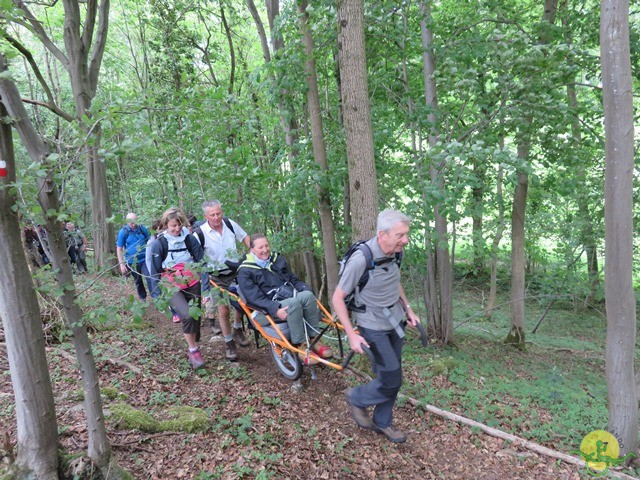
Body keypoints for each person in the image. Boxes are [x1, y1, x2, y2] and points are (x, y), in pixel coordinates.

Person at [332, 209, 420, 444]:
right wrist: (351, 334)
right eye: (400, 235)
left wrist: (408, 309)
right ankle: (357, 397)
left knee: (391, 374)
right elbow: (337, 298)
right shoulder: (362, 259)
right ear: (383, 234)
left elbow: (395, 282)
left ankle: (383, 422)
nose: (406, 240)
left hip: (396, 320)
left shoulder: (395, 253)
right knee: (392, 378)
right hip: (372, 325)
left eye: (406, 234)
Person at [237, 234, 332, 365]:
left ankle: (314, 338)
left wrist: (305, 289)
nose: (265, 250)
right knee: (293, 304)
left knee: (308, 296)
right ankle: (300, 345)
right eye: (260, 247)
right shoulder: (245, 271)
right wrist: (275, 309)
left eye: (266, 246)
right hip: (263, 310)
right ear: (252, 250)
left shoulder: (277, 260)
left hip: (285, 297)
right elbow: (254, 299)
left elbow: (293, 279)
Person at [148, 208, 205, 369]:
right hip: (170, 284)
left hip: (192, 280)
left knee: (195, 315)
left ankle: (194, 341)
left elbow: (201, 259)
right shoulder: (160, 243)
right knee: (187, 315)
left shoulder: (189, 239)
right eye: (173, 226)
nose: (177, 229)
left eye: (179, 225)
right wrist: (157, 295)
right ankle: (193, 351)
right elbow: (154, 270)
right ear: (166, 225)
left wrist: (205, 278)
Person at [196, 200, 250, 362]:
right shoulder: (199, 233)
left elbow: (246, 237)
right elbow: (195, 256)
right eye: (212, 215)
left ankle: (237, 328)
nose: (216, 217)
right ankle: (229, 343)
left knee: (243, 303)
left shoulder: (230, 224)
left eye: (218, 213)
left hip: (236, 271)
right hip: (216, 276)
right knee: (224, 310)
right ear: (206, 216)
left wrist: (253, 253)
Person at [116, 213, 151, 301]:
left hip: (144, 260)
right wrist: (121, 264)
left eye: (135, 221)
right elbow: (119, 249)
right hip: (132, 262)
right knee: (138, 280)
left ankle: (156, 297)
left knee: (149, 277)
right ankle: (142, 298)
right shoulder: (123, 232)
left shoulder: (142, 229)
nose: (133, 224)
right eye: (131, 222)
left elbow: (150, 241)